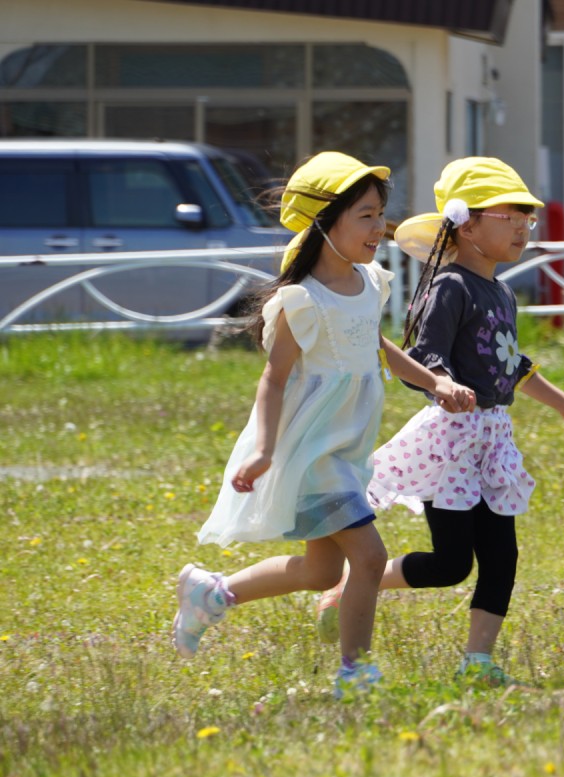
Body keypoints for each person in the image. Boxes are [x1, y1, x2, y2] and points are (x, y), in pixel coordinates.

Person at [171, 152, 475, 697]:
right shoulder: (301, 301)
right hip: (313, 451)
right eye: (365, 215)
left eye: (380, 214)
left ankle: (212, 594)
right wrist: (264, 450)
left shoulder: (369, 283)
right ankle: (355, 672)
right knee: (370, 556)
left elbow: (378, 347)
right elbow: (273, 380)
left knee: (321, 573)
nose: (379, 227)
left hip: (347, 449)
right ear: (323, 224)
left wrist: (435, 382)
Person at [316, 156, 564, 686]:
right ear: (466, 226)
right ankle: (355, 584)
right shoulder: (450, 286)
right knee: (451, 564)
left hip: (493, 440)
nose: (523, 227)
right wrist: (444, 384)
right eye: (509, 216)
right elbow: (421, 357)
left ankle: (478, 663)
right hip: (452, 442)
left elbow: (511, 364)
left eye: (528, 218)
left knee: (502, 555)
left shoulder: (503, 291)